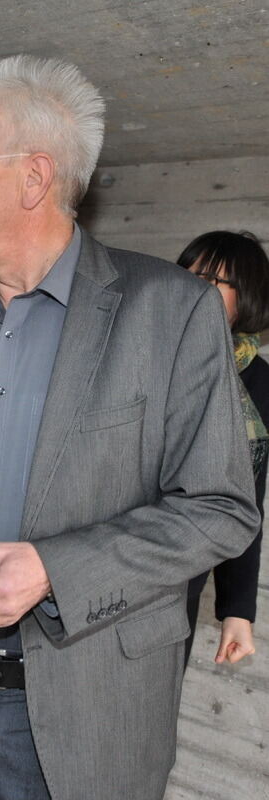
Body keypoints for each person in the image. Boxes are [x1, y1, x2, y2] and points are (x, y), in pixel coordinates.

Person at [0, 54, 259, 800]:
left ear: (34, 177)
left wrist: (55, 571)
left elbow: (220, 510)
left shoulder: (172, 312)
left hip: (77, 721)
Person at [177, 230, 269, 667]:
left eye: (214, 279)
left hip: (177, 582)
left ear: (246, 297)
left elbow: (243, 500)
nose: (194, 286)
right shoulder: (142, 350)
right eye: (189, 273)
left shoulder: (255, 380)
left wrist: (238, 609)